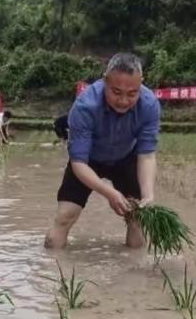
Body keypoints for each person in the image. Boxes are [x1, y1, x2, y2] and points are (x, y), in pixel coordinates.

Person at [44, 53, 161, 249]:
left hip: (126, 158)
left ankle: (135, 273)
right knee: (65, 216)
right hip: (88, 160)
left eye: (132, 93)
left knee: (137, 218)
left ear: (141, 84)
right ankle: (53, 268)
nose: (123, 100)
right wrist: (110, 193)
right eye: (116, 92)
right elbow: (78, 164)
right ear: (104, 80)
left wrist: (148, 195)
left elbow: (147, 155)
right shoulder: (84, 106)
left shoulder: (149, 105)